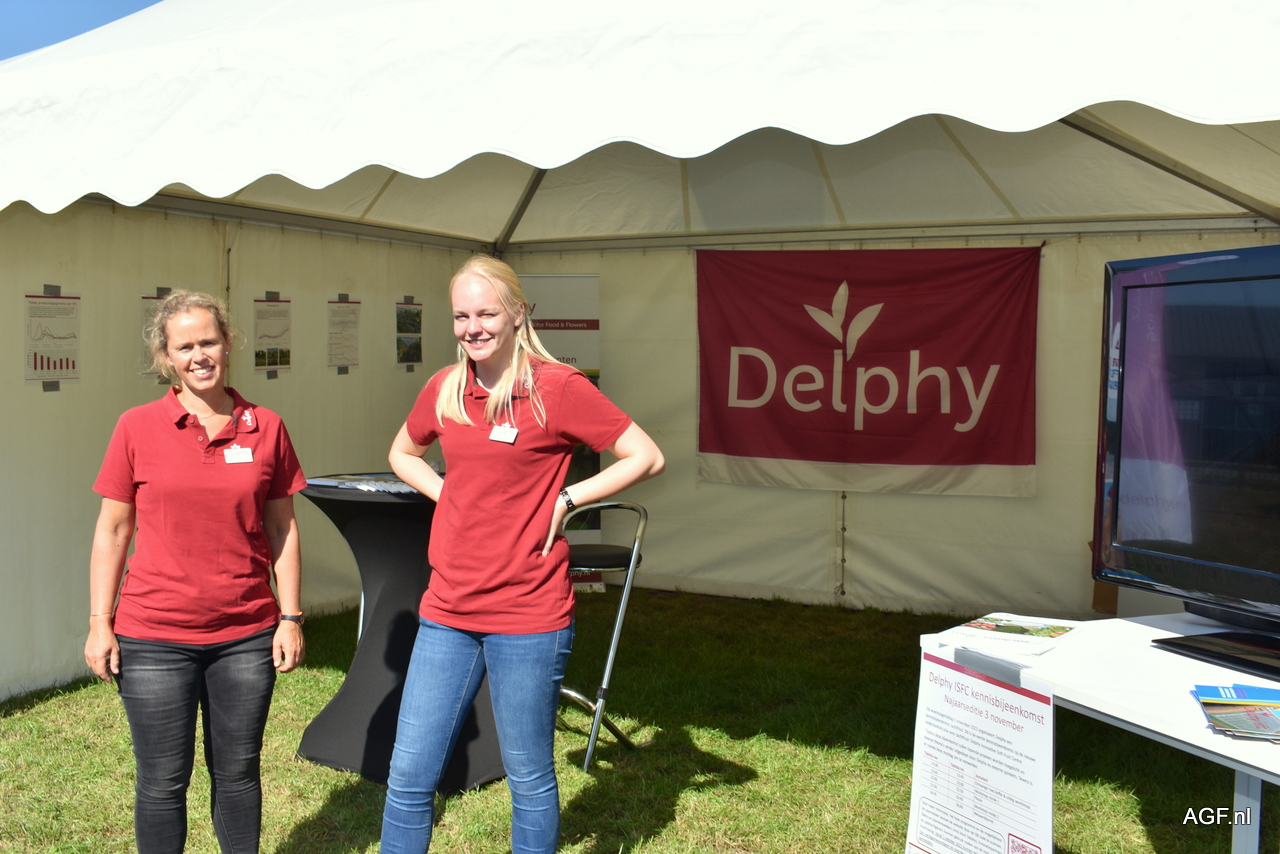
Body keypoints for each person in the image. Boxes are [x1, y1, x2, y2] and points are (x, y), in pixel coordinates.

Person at [381, 255, 664, 853]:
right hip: (448, 609)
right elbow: (402, 453)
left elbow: (645, 455)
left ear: (517, 313)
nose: (473, 327)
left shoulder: (555, 388)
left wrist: (568, 498)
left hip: (529, 614)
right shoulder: (446, 387)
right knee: (408, 775)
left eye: (486, 313)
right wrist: (447, 493)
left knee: (528, 777)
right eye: (461, 316)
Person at [84, 291, 307, 854]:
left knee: (238, 774)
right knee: (162, 781)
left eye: (208, 341)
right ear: (166, 356)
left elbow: (282, 529)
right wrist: (99, 622)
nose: (198, 355)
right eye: (184, 347)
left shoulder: (266, 427)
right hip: (153, 636)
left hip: (245, 636)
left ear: (228, 344)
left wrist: (290, 617)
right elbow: (113, 531)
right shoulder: (136, 427)